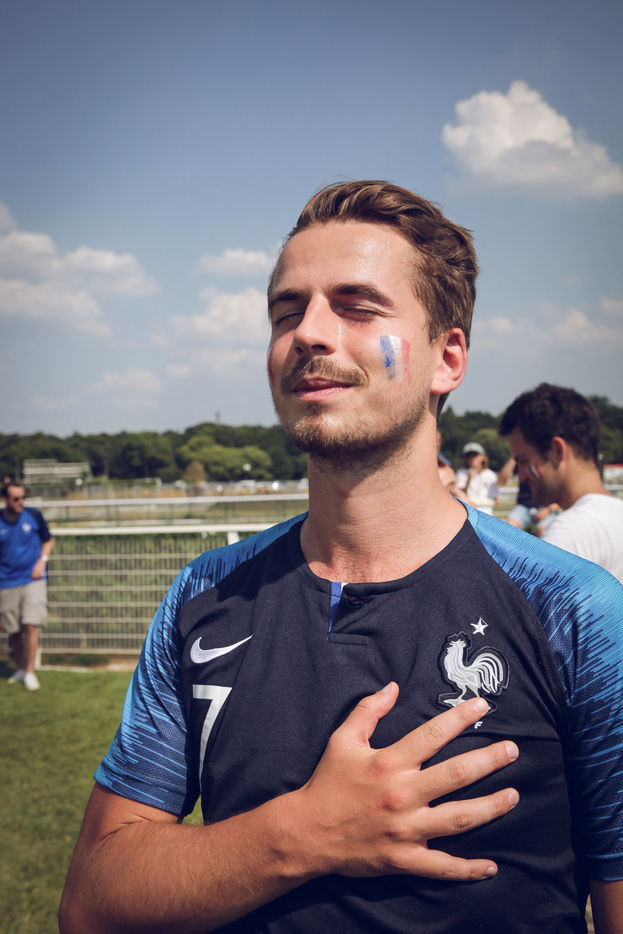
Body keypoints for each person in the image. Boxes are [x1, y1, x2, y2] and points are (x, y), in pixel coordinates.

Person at [60, 181, 623, 934]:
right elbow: (91, 904)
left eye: (356, 307)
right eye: (286, 311)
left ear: (446, 357)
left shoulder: (573, 610)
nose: (309, 333)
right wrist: (301, 834)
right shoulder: (204, 595)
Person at [500, 383, 623, 583]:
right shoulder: (616, 513)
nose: (520, 476)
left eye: (523, 461)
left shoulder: (570, 532)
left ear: (557, 450)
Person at [0, 481, 54, 691]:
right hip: (7, 582)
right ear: (5, 499)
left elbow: (48, 540)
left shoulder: (33, 515)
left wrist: (42, 561)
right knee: (13, 631)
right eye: (16, 498)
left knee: (31, 624)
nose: (20, 502)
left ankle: (30, 671)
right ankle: (21, 667)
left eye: (23, 497)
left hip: (33, 579)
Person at [454, 442, 499, 515]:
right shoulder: (461, 473)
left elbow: (495, 500)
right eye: (468, 456)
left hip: (487, 514)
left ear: (482, 457)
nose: (471, 459)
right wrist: (468, 479)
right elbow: (458, 496)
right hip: (468, 513)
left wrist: (481, 502)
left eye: (474, 455)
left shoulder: (491, 475)